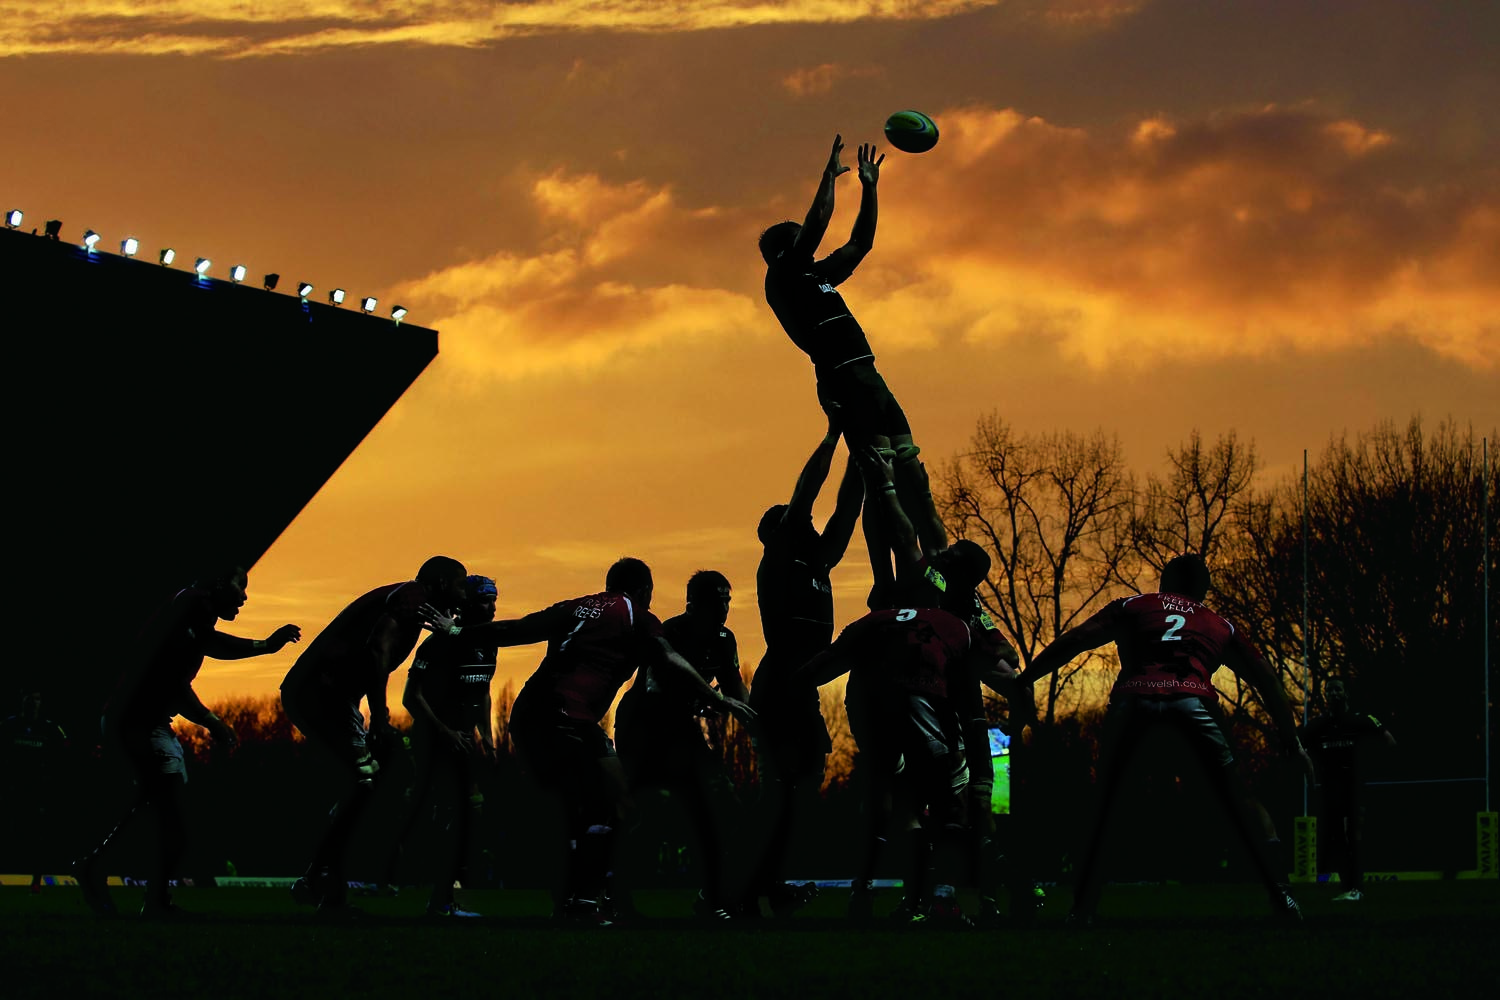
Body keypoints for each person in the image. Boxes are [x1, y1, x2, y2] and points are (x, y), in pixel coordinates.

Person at [425, 557, 756, 926]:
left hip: (533, 715)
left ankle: (576, 899)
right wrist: (716, 699)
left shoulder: (577, 605)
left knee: (583, 810)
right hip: (565, 718)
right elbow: (669, 659)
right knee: (611, 805)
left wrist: (455, 633)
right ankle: (583, 902)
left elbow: (519, 629)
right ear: (645, 591)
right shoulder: (638, 616)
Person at [1014, 553, 1315, 925]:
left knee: (1107, 804)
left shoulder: (1133, 605)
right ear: (1202, 590)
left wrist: (1025, 680)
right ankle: (1281, 897)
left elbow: (1078, 639)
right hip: (1192, 705)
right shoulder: (1219, 624)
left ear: (1163, 581)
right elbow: (1267, 679)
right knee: (1239, 800)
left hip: (1134, 702)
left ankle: (1083, 909)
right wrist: (1291, 741)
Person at [73, 566, 300, 917]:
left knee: (164, 811)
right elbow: (177, 678)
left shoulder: (191, 610)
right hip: (137, 722)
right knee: (171, 816)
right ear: (221, 585)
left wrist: (264, 647)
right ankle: (112, 876)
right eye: (241, 586)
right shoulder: (196, 604)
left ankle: (126, 882)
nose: (245, 596)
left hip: (142, 721)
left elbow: (200, 651)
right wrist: (214, 720)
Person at [761, 135, 940, 555]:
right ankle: (895, 579)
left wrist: (870, 188)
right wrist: (828, 177)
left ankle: (938, 567)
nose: (813, 240)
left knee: (915, 479)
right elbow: (819, 221)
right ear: (786, 250)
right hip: (844, 381)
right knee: (883, 484)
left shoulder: (816, 277)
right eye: (802, 237)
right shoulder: (784, 279)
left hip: (870, 377)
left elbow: (861, 244)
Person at [281, 556, 467, 915]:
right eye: (460, 585)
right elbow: (377, 650)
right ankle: (317, 878)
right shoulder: (411, 597)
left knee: (367, 784)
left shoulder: (415, 604)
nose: (464, 593)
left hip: (330, 695)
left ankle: (324, 885)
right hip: (321, 693)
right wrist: (380, 716)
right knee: (365, 781)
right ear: (442, 584)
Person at [744, 414, 863, 917]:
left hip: (803, 684)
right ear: (779, 529)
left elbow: (845, 510)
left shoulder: (818, 561)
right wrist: (835, 434)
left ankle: (767, 880)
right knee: (781, 790)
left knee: (802, 782)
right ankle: (748, 885)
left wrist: (862, 455)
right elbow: (809, 492)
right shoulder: (781, 554)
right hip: (780, 684)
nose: (811, 524)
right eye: (799, 520)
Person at [614, 570, 749, 920]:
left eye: (728, 599)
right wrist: (706, 701)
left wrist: (755, 722)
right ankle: (613, 893)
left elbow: (735, 688)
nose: (724, 607)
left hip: (678, 729)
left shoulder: (724, 638)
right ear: (694, 603)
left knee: (721, 806)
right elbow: (657, 688)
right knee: (649, 814)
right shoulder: (671, 631)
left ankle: (714, 896)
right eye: (717, 599)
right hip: (645, 727)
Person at [396, 574, 501, 917]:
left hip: (463, 744)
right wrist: (445, 731)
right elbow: (411, 697)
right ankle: (394, 876)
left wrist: (486, 735)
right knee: (433, 813)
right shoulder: (437, 644)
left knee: (469, 814)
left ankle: (441, 897)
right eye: (485, 600)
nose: (493, 607)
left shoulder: (488, 642)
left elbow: (483, 690)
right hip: (433, 742)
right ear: (466, 604)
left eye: (494, 599)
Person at [1303, 677, 1396, 902]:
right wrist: (1309, 772)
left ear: (1346, 694)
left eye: (1338, 689)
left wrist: (1373, 766)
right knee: (1336, 838)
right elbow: (1298, 748)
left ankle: (1357, 887)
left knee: (1354, 835)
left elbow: (1389, 741)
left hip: (1355, 789)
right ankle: (1348, 887)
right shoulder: (1318, 725)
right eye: (1329, 691)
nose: (1333, 694)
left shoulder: (1360, 721)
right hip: (1330, 791)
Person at [0, 690, 70, 892]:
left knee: (37, 836)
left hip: (38, 792)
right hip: (11, 790)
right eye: (28, 697)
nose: (32, 701)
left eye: (37, 698)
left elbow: (63, 757)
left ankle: (36, 880)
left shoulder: (50, 728)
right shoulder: (9, 725)